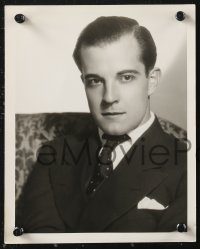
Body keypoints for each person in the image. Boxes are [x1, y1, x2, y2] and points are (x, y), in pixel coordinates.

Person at [17, 16, 187, 232]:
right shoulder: (54, 155)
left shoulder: (186, 166)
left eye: (126, 77)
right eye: (95, 81)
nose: (109, 97)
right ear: (84, 84)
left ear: (151, 81)